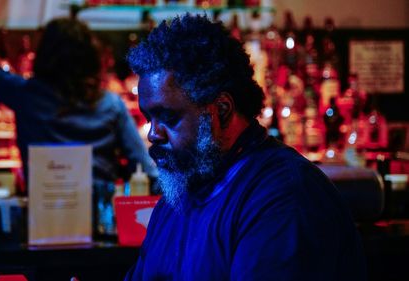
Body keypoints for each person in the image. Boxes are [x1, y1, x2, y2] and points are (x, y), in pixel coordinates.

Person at [125, 14, 366, 280]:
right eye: (149, 118)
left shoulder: (284, 196)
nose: (154, 134)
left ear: (222, 109)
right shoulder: (179, 197)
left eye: (169, 117)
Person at [0, 0, 156, 186]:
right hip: (99, 213)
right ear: (91, 58)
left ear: (44, 56)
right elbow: (143, 168)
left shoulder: (27, 96)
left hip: (43, 212)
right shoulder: (111, 105)